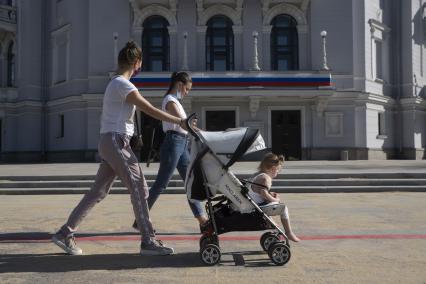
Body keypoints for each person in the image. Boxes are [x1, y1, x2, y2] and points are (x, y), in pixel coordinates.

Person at [52, 41, 187, 256]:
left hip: (109, 140)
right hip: (116, 140)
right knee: (140, 188)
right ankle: (148, 241)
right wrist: (180, 121)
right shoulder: (123, 85)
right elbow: (149, 109)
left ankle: (64, 233)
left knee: (97, 192)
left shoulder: (113, 84)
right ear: (136, 63)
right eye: (140, 63)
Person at [132, 72, 208, 230]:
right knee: (161, 184)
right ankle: (140, 219)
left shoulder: (176, 102)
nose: (187, 92)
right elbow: (183, 124)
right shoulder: (170, 101)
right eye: (187, 89)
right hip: (173, 142)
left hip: (181, 143)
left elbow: (185, 125)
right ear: (179, 85)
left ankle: (202, 219)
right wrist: (203, 134)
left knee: (190, 182)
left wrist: (200, 132)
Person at [249, 152, 300, 242]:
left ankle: (270, 222)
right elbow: (263, 193)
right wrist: (275, 199)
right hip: (257, 207)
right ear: (273, 169)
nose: (278, 173)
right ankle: (288, 232)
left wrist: (270, 194)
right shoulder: (266, 178)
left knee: (272, 203)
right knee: (283, 208)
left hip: (253, 203)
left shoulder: (258, 175)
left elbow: (259, 191)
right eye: (278, 170)